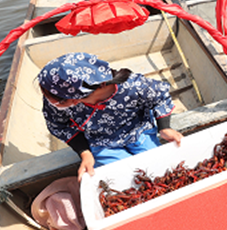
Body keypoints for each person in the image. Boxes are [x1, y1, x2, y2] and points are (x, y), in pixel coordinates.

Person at [38, 53, 182, 181]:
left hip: (138, 131)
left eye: (58, 101)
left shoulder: (133, 86)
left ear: (74, 98)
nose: (52, 103)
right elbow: (58, 126)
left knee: (158, 167)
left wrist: (164, 127)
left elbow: (159, 96)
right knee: (126, 176)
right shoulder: (59, 100)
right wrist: (85, 152)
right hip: (101, 143)